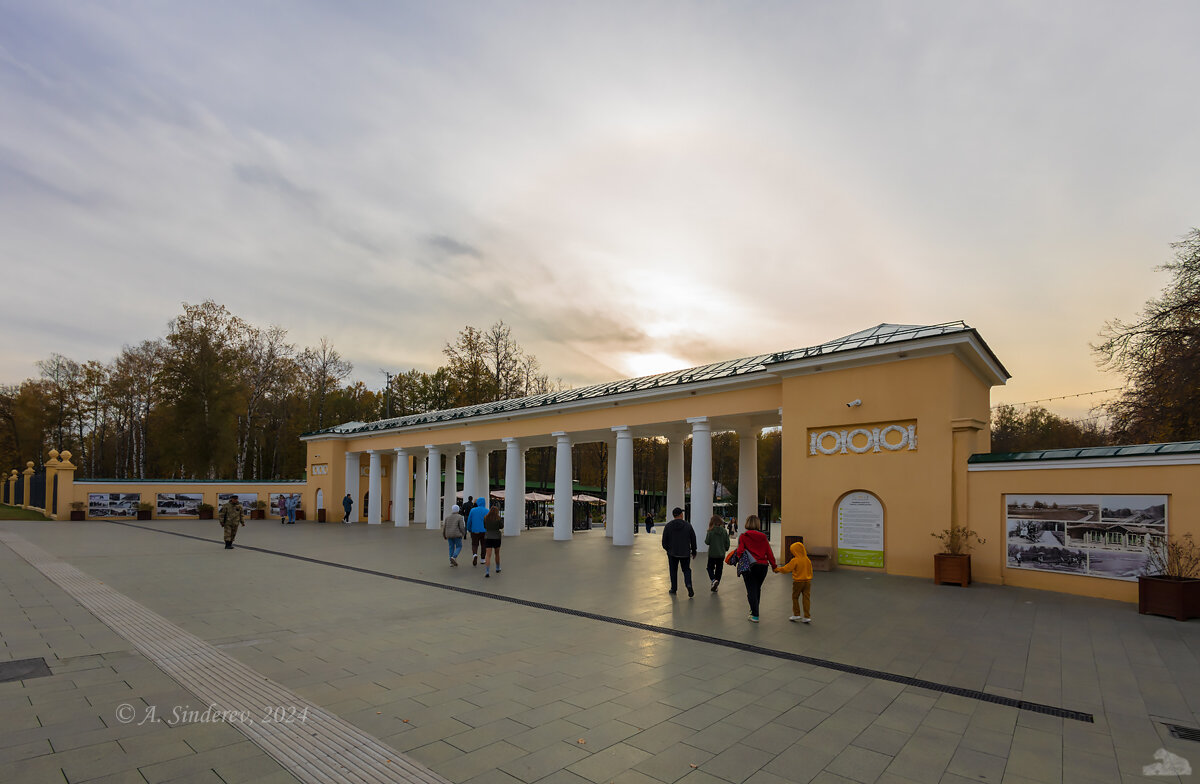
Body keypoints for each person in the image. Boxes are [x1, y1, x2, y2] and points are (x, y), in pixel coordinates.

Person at [728, 515, 776, 622]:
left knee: (751, 590)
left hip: (750, 566)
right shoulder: (763, 537)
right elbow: (769, 552)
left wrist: (740, 559)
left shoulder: (743, 536)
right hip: (763, 567)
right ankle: (754, 610)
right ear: (758, 524)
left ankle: (755, 614)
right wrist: (774, 566)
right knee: (757, 589)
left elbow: (740, 551)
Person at [775, 536, 813, 623]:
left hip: (798, 582)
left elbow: (786, 569)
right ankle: (807, 616)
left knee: (795, 597)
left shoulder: (795, 560)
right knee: (806, 598)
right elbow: (810, 570)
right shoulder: (807, 560)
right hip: (808, 581)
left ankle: (796, 614)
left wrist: (777, 570)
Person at [661, 507, 696, 598]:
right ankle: (688, 584)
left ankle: (674, 588)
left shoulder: (668, 526)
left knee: (673, 570)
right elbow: (693, 539)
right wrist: (694, 551)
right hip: (685, 552)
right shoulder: (688, 525)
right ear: (681, 515)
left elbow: (664, 541)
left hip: (672, 553)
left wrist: (668, 549)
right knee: (686, 569)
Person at [704, 514, 731, 592]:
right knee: (719, 569)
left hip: (712, 553)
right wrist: (725, 549)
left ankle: (713, 580)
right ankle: (716, 584)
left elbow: (707, 542)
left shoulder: (710, 531)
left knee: (709, 568)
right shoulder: (724, 531)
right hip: (721, 554)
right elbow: (727, 543)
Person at [466, 496, 488, 566]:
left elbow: (469, 521)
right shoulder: (487, 511)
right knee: (484, 545)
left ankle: (475, 554)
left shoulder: (473, 510)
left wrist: (469, 528)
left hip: (475, 530)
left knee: (474, 544)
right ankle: (482, 559)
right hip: (484, 531)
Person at [482, 504, 503, 577]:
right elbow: (501, 526)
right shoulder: (498, 518)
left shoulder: (485, 518)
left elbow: (484, 526)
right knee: (497, 553)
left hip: (488, 536)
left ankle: (487, 571)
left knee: (488, 555)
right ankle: (497, 567)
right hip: (497, 537)